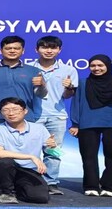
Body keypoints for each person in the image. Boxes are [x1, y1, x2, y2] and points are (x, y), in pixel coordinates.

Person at [0, 35, 47, 195]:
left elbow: (40, 94)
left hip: (24, 119)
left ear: (23, 51)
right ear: (1, 51)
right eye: (8, 48)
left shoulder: (34, 71)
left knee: (25, 151)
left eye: (16, 48)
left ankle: (22, 184)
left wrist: (42, 85)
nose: (12, 51)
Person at [69, 54, 112, 197]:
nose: (96, 68)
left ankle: (110, 186)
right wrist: (75, 123)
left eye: (100, 65)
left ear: (108, 66)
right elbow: (76, 103)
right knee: (88, 156)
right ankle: (91, 185)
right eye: (93, 66)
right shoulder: (82, 83)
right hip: (87, 123)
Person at [32, 36, 79, 196]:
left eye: (53, 47)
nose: (49, 50)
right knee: (30, 150)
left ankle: (51, 182)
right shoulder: (28, 67)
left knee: (54, 150)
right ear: (37, 49)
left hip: (57, 116)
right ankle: (30, 181)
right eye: (44, 47)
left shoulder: (69, 70)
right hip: (32, 115)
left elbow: (68, 95)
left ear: (59, 50)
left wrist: (69, 88)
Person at [0, 97, 56, 204]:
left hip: (29, 170)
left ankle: (18, 190)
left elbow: (53, 152)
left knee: (40, 198)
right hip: (9, 169)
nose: (11, 113)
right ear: (1, 113)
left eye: (15, 109)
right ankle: (6, 192)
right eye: (6, 110)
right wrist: (31, 156)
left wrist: (52, 147)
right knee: (4, 162)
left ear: (25, 111)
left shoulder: (39, 128)